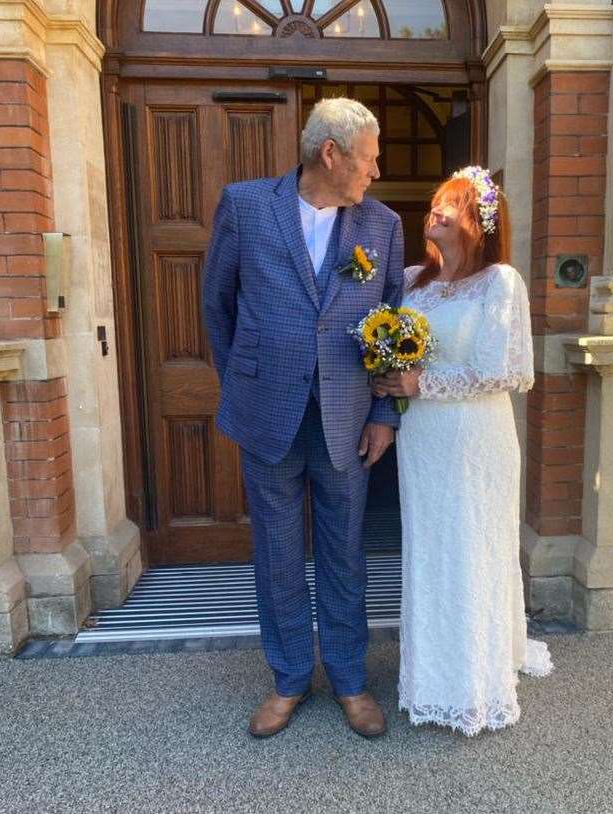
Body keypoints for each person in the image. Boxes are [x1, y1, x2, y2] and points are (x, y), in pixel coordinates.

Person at [203, 98, 404, 739]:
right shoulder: (246, 206)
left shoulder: (383, 226)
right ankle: (289, 677)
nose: (376, 170)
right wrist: (246, 379)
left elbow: (393, 326)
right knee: (279, 550)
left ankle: (349, 679)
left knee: (346, 548)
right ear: (331, 153)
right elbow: (218, 306)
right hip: (268, 413)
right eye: (369, 157)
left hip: (347, 417)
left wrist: (382, 411)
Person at [374, 167, 553, 737]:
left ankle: (473, 678)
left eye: (449, 205)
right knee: (430, 545)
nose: (435, 212)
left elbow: (503, 371)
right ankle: (432, 672)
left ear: (478, 222)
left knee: (472, 543)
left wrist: (419, 384)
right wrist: (389, 374)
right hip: (423, 440)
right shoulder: (410, 281)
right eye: (434, 203)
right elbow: (383, 340)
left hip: (476, 438)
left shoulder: (500, 282)